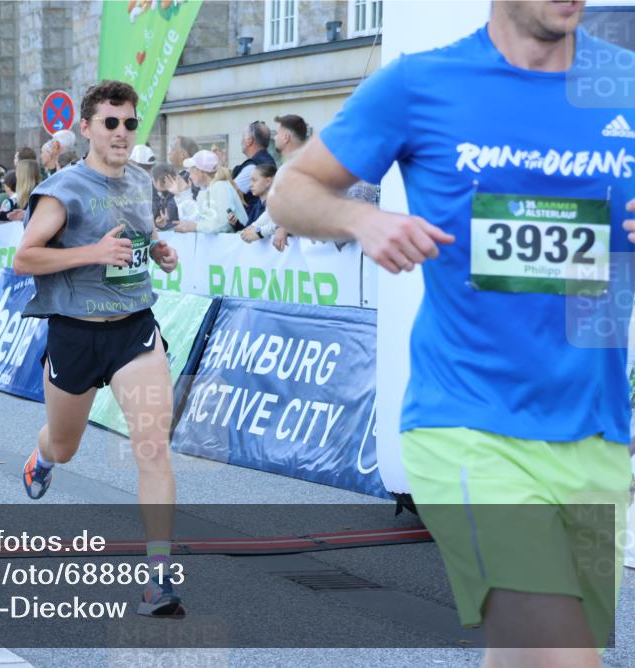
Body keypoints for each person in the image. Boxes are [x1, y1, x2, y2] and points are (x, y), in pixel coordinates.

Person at [268, 1, 634, 663]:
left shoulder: (624, 81)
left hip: (596, 430)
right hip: (468, 423)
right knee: (561, 653)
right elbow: (290, 189)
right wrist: (361, 220)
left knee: (526, 650)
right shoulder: (421, 84)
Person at [13, 80, 182, 618]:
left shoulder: (139, 180)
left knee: (154, 447)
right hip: (75, 334)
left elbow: (132, 241)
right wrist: (90, 251)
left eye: (130, 123)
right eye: (110, 123)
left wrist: (156, 249)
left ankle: (158, 578)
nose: (122, 133)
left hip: (133, 330)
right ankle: (42, 457)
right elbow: (25, 258)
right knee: (66, 446)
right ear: (86, 128)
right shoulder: (64, 188)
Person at [171, 150, 247, 234]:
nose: (190, 176)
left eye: (192, 171)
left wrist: (196, 226)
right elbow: (199, 220)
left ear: (201, 171)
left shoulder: (221, 187)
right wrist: (182, 194)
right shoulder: (203, 192)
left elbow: (224, 222)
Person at [232, 121, 275, 211]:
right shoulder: (269, 160)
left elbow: (229, 194)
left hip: (250, 222)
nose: (241, 141)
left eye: (243, 137)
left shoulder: (252, 167)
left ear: (249, 141)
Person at [150, 163, 180, 231]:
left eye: (168, 179)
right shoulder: (149, 194)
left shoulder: (179, 194)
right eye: (163, 180)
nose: (166, 183)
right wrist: (156, 222)